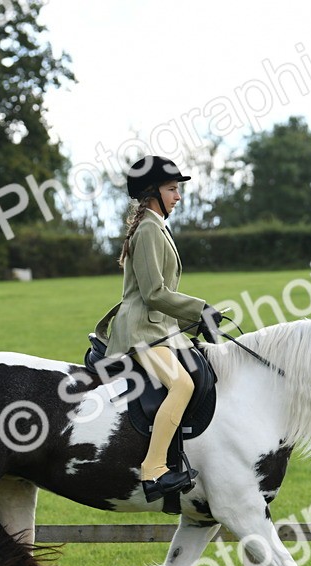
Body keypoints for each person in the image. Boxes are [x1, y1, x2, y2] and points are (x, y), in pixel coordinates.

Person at [95, 155, 223, 501]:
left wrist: (194, 321)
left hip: (159, 329)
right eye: (172, 189)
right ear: (152, 192)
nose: (178, 196)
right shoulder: (150, 229)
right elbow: (153, 294)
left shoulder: (155, 226)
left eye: (177, 189)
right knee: (181, 385)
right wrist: (200, 308)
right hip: (141, 333)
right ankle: (153, 472)